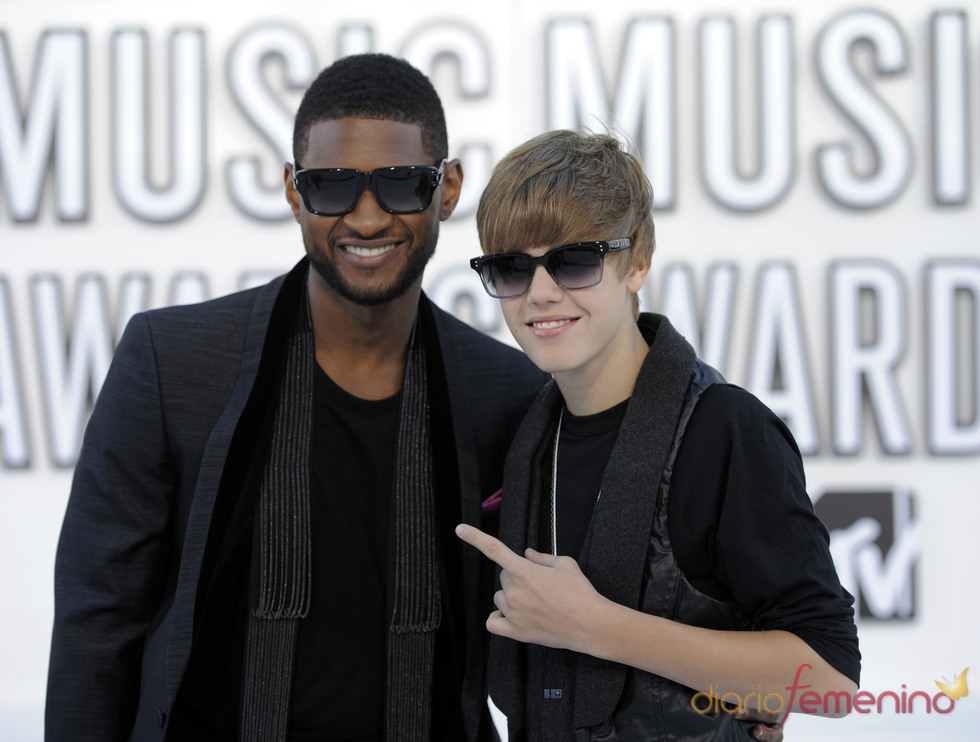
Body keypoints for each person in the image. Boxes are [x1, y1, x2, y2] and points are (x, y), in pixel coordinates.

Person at [44, 53, 549, 742]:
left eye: (401, 185)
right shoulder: (172, 362)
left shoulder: (510, 392)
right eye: (331, 186)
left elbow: (546, 638)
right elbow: (97, 622)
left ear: (449, 188)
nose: (367, 219)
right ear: (291, 190)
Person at [456, 130, 861, 741]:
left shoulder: (724, 428)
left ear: (637, 261)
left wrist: (593, 626)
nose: (539, 291)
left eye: (575, 260)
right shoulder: (527, 439)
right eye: (511, 267)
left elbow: (830, 682)